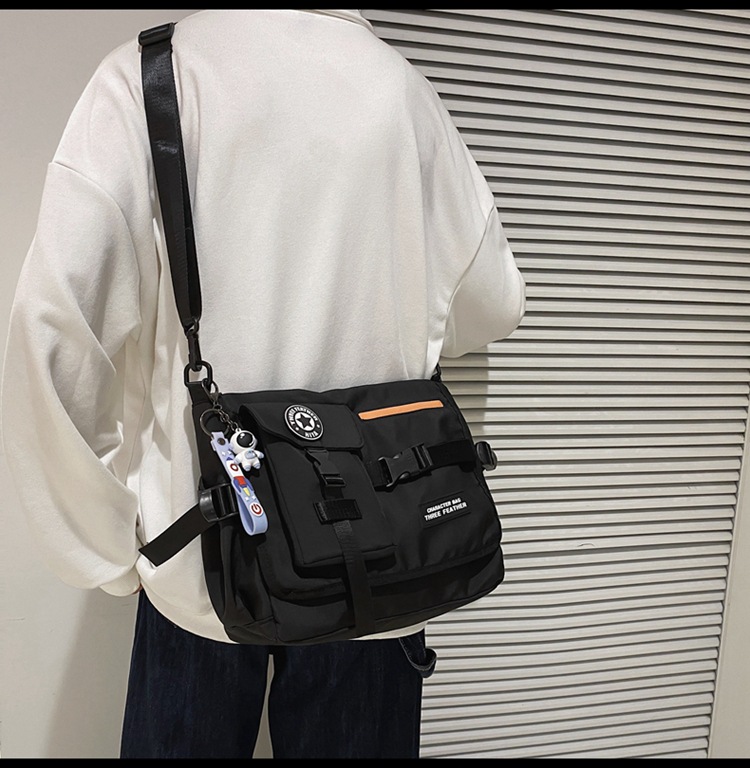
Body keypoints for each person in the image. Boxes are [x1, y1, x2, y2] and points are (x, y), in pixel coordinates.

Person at [0, 9, 525, 759]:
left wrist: (107, 551)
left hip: (200, 568)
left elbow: (53, 335)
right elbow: (494, 303)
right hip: (380, 570)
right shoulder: (404, 93)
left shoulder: (148, 80)